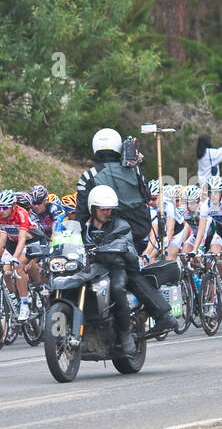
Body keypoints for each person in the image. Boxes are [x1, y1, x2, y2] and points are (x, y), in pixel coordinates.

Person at [75, 128, 175, 336]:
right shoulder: (133, 169)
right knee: (131, 273)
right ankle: (160, 314)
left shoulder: (89, 176)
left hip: (111, 232)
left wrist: (82, 240)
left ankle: (152, 319)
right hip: (139, 230)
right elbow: (146, 195)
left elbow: (82, 214)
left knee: (122, 274)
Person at [82, 185, 140, 355]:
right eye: (102, 209)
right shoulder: (83, 226)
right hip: (90, 267)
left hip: (114, 267)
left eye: (109, 209)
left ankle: (124, 334)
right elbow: (66, 237)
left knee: (116, 288)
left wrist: (121, 247)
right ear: (93, 208)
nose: (107, 213)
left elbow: (129, 246)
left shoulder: (120, 225)